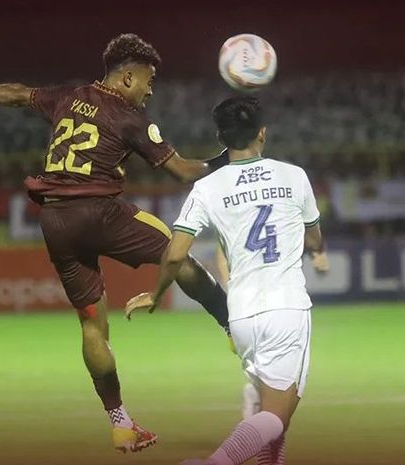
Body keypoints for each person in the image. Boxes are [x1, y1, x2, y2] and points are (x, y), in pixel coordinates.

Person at [0, 33, 230, 453]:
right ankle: (229, 322)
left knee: (92, 323)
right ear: (127, 77)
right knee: (175, 250)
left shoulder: (67, 96)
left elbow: (19, 94)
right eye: (148, 81)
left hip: (55, 220)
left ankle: (121, 424)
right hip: (100, 212)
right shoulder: (129, 118)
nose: (149, 91)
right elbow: (184, 172)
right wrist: (228, 156)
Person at [125, 96, 329, 465]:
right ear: (262, 134)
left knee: (270, 415)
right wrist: (315, 248)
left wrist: (156, 295)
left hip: (242, 315)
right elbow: (314, 238)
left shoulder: (207, 187)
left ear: (221, 135)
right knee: (275, 417)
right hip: (286, 309)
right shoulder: (294, 176)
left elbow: (174, 253)